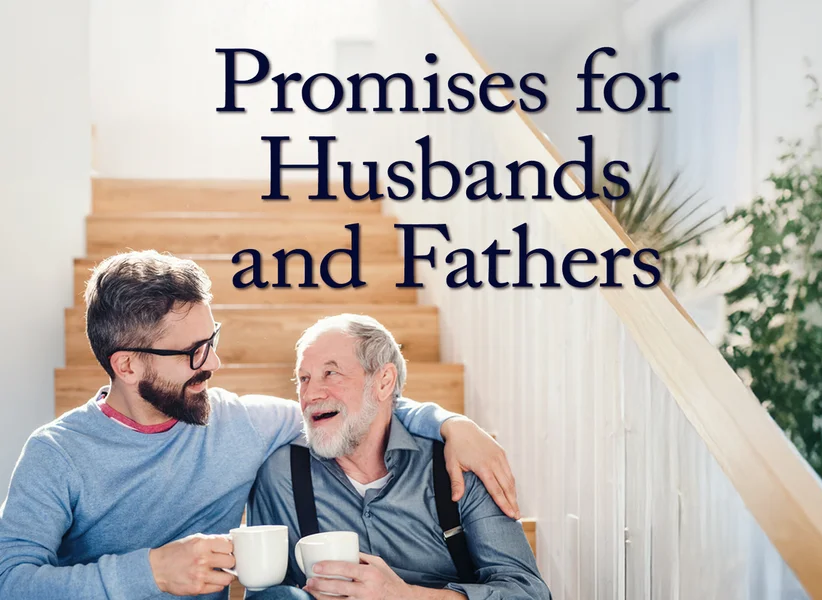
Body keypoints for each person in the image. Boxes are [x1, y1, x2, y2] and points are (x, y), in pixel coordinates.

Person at [0, 251, 519, 600]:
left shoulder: (240, 424)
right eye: (193, 353)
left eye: (214, 339)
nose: (215, 364)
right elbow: (10, 579)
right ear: (128, 365)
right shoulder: (57, 453)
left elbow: (349, 408)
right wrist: (151, 572)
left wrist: (449, 421)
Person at [246, 314, 550, 600]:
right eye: (303, 378)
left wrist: (404, 595)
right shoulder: (281, 474)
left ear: (383, 382)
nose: (311, 394)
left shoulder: (458, 465)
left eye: (331, 373)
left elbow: (528, 592)